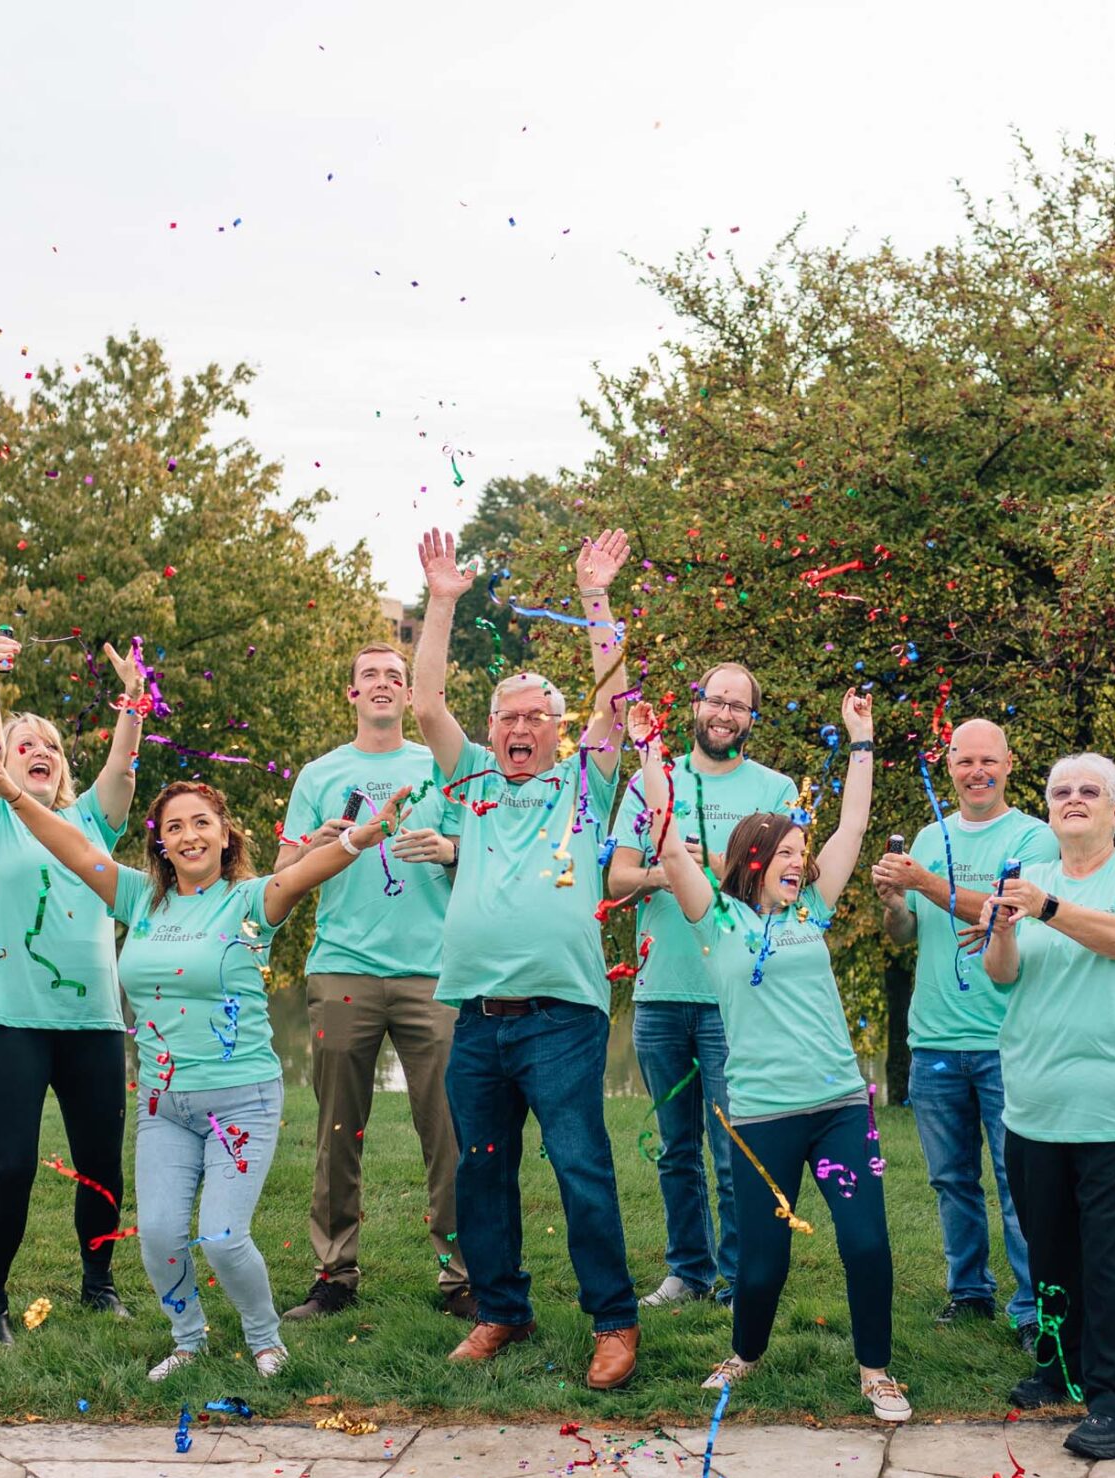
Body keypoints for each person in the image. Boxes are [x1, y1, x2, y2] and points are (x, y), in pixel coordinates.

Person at [0, 756, 402, 1382]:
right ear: (161, 843)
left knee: (224, 1237)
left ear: (226, 834)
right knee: (156, 1235)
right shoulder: (136, 898)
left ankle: (265, 1338)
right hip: (164, 1106)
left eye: (201, 822)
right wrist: (14, 793)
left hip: (241, 1102)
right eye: (173, 827)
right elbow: (70, 844)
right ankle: (189, 1338)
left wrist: (357, 839)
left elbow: (309, 870)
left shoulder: (250, 901)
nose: (189, 835)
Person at [411, 524, 645, 1390]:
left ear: (556, 730)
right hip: (476, 1017)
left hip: (562, 1017)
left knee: (581, 1164)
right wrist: (441, 603)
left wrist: (595, 599)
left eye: (534, 716)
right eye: (506, 715)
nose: (518, 727)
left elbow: (615, 705)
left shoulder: (586, 785)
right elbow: (426, 702)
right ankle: (500, 1309)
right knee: (481, 1173)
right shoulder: (469, 778)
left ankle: (614, 1324)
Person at [630, 690, 909, 1418]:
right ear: (755, 859)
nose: (799, 861)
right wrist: (650, 756)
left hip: (840, 1109)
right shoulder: (715, 921)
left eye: (800, 853)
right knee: (761, 1266)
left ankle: (875, 1370)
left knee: (867, 1242)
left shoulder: (812, 909)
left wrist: (862, 740)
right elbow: (663, 839)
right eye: (786, 853)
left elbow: (852, 822)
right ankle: (745, 1352)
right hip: (761, 1118)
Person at [981, 753, 1115, 1460]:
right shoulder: (1028, 885)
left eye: (1089, 791)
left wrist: (1045, 908)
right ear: (1048, 810)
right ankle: (1062, 1369)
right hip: (1037, 1099)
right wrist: (1003, 930)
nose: (1074, 799)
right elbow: (1002, 975)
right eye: (1061, 791)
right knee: (1054, 1254)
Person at [0, 632, 151, 1342]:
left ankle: (98, 1282)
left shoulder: (90, 820)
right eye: (21, 741)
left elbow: (124, 768)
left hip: (93, 1020)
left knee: (101, 1163)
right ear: (0, 759)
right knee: (9, 1163)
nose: (37, 749)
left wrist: (132, 700)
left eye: (51, 746)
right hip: (8, 1016)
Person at [278, 642, 470, 1323]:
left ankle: (463, 1276)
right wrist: (323, 844)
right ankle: (334, 1274)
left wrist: (449, 849)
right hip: (343, 968)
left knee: (449, 1129)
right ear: (352, 694)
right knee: (337, 1130)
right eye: (371, 676)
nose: (385, 684)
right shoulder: (321, 774)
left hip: (435, 972)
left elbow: (480, 856)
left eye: (396, 674)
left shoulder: (441, 765)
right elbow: (283, 876)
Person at [606, 661, 799, 1308]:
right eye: (715, 700)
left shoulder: (776, 790)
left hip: (735, 996)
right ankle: (688, 1271)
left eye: (738, 705)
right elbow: (616, 879)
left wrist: (695, 860)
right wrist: (669, 872)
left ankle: (742, 1278)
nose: (724, 713)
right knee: (675, 1148)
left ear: (752, 718)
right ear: (696, 705)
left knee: (734, 1146)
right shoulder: (650, 782)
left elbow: (781, 885)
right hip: (661, 993)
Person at [870, 718, 1056, 1348]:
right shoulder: (929, 835)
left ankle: (1032, 1307)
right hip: (936, 1040)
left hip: (1008, 1038)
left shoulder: (1034, 836)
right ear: (948, 766)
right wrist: (896, 901)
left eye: (988, 761)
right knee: (952, 1180)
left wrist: (923, 880)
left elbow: (1003, 912)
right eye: (964, 761)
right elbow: (905, 935)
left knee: (1017, 1181)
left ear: (1009, 764)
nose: (977, 772)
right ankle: (970, 1292)